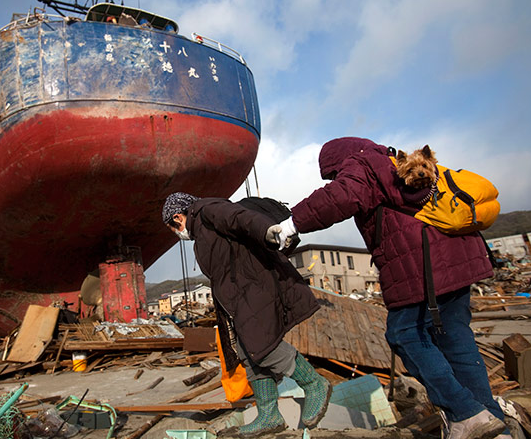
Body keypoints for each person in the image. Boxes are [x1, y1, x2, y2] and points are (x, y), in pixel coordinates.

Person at [273, 137, 509, 439]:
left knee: (404, 333)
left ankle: (464, 413)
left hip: (421, 267)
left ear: (338, 161)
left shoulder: (362, 164)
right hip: (457, 260)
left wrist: (293, 224)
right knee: (458, 343)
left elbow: (341, 196)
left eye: (332, 174)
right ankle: (493, 423)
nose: (335, 178)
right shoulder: (391, 161)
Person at [161, 193, 331, 436]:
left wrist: (266, 231)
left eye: (172, 227)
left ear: (178, 217)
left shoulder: (207, 211)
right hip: (237, 297)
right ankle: (269, 414)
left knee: (264, 345)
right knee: (246, 352)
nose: (176, 233)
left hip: (253, 286)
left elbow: (238, 218)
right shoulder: (201, 233)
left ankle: (313, 383)